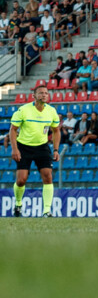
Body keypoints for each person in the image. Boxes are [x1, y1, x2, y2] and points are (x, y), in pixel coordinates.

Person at [9, 84, 60, 217]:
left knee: (48, 177)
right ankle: (18, 204)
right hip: (24, 147)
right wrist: (15, 149)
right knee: (21, 180)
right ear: (34, 96)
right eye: (41, 93)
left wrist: (55, 149)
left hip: (42, 147)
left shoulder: (51, 111)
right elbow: (13, 130)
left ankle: (46, 211)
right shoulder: (23, 110)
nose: (44, 95)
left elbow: (56, 130)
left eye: (46, 93)